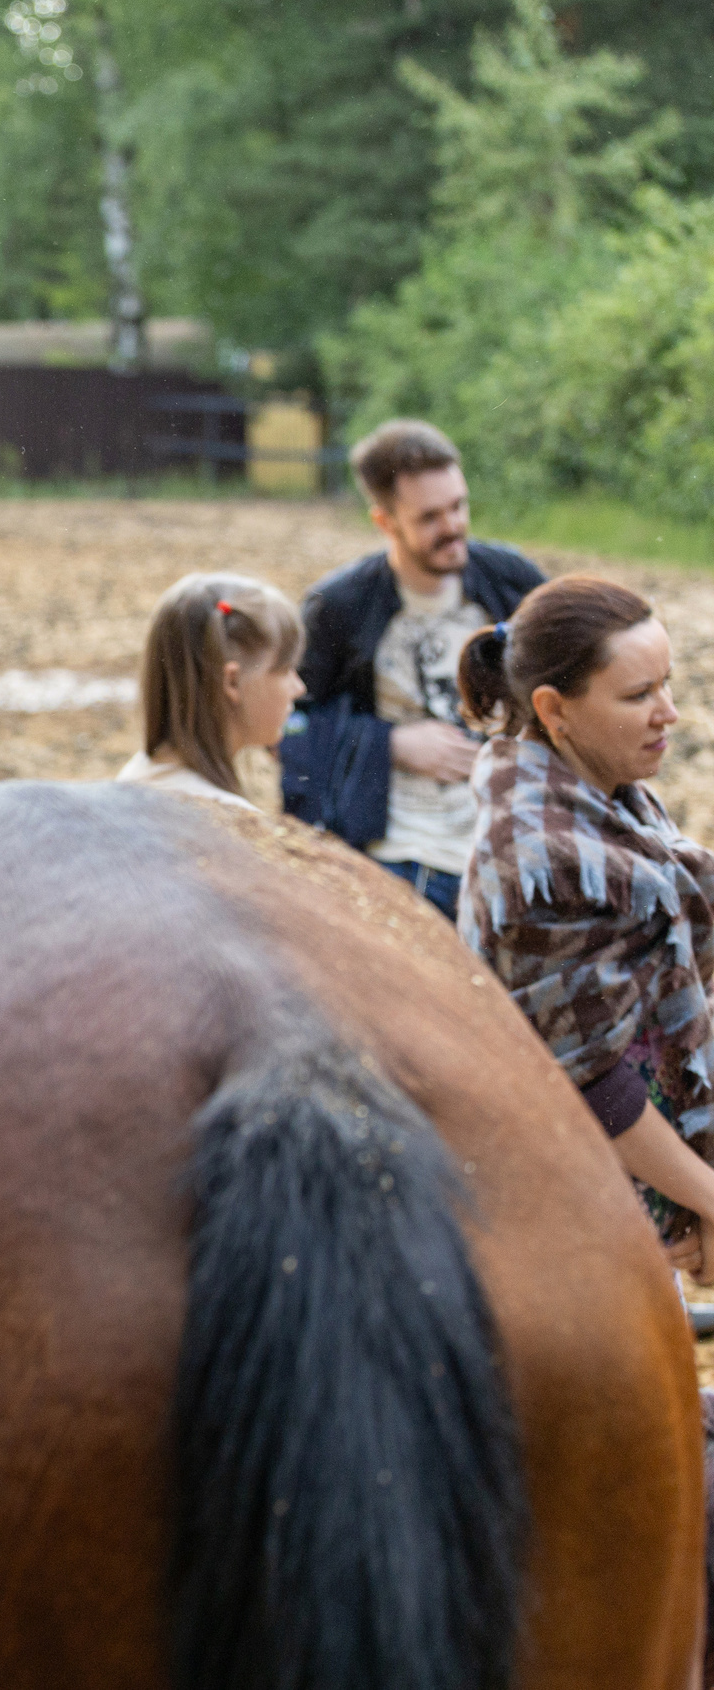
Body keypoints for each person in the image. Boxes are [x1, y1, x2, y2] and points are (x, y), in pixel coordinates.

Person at [457, 575, 714, 1284]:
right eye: (638, 695)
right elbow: (591, 1081)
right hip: (577, 1204)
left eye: (666, 684)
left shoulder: (606, 785)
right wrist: (705, 1199)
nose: (669, 713)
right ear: (553, 709)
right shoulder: (539, 862)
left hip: (646, 1177)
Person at [280, 420, 544, 918]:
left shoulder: (513, 582)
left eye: (458, 506)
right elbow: (287, 724)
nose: (452, 527)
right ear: (385, 522)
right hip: (399, 854)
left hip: (514, 843)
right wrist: (390, 745)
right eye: (429, 517)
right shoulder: (339, 607)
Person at [116, 573, 305, 812]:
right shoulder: (232, 822)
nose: (299, 688)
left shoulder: (132, 779)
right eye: (286, 669)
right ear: (232, 682)